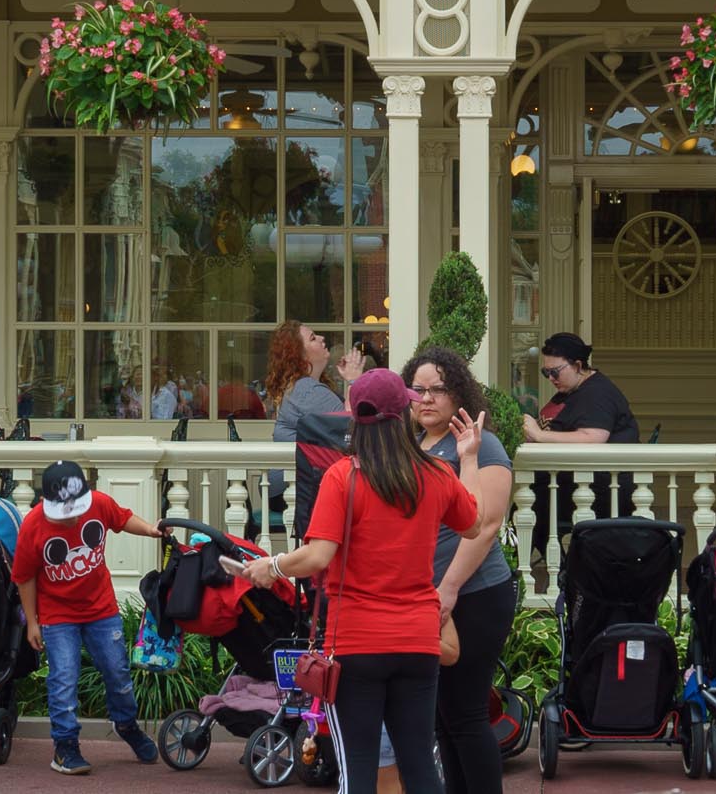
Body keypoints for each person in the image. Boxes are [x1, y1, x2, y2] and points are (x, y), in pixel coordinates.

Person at [228, 368, 482, 794]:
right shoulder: (437, 474)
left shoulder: (343, 476)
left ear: (355, 420)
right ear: (403, 415)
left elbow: (318, 556)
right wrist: (469, 458)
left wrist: (269, 567)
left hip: (357, 643)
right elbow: (473, 523)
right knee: (419, 763)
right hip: (418, 641)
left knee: (358, 769)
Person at [403, 346, 515, 794]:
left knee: (466, 712)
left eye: (438, 389)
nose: (426, 399)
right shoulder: (410, 443)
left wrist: (447, 589)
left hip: (474, 593)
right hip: (426, 594)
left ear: (458, 394)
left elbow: (486, 525)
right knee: (442, 714)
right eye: (418, 390)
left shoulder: (480, 442)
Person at [13, 459, 167, 773]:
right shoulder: (32, 525)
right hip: (57, 615)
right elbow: (24, 576)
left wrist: (151, 530)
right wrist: (32, 621)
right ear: (46, 502)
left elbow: (123, 519)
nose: (71, 520)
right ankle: (65, 746)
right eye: (64, 514)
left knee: (117, 673)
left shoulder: (98, 503)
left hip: (101, 608)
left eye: (76, 511)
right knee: (63, 680)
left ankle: (126, 725)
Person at [519, 332, 638, 545]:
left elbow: (593, 437)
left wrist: (539, 435)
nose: (551, 379)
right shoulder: (571, 390)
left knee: (527, 512)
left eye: (555, 372)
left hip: (598, 490)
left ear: (577, 365)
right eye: (546, 373)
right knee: (525, 509)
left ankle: (562, 571)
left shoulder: (597, 393)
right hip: (570, 484)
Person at [269, 321, 351, 537]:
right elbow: (351, 427)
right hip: (290, 488)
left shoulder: (304, 387)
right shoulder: (305, 389)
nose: (322, 339)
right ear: (300, 356)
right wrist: (354, 381)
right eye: (313, 338)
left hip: (293, 484)